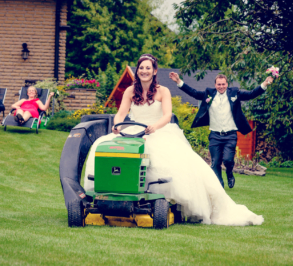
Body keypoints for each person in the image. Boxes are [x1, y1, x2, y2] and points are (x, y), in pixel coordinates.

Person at [84, 53, 264, 226]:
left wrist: (154, 128)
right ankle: (111, 189)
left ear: (154, 71)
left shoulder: (163, 91)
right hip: (133, 129)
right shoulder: (130, 91)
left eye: (148, 68)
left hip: (157, 130)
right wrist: (117, 126)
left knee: (159, 157)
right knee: (102, 145)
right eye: (141, 68)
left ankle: (160, 198)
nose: (144, 71)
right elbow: (121, 114)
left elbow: (167, 115)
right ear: (137, 70)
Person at [169, 72, 273, 189]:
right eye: (219, 84)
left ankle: (229, 174)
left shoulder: (234, 93)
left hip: (230, 135)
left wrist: (265, 83)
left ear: (227, 84)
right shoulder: (209, 94)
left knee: (228, 160)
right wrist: (178, 81)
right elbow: (194, 93)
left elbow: (251, 94)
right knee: (215, 162)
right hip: (215, 135)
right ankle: (220, 186)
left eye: (223, 84)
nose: (221, 86)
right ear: (215, 85)